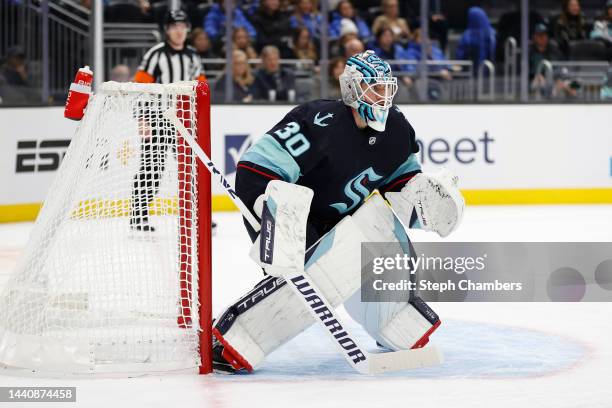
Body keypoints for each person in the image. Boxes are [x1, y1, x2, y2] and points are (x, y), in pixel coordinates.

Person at [209, 50, 464, 373]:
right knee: (315, 276)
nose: (383, 97)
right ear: (353, 89)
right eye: (375, 88)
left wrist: (425, 202)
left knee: (387, 242)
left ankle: (393, 320)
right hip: (297, 220)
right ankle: (236, 340)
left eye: (387, 88)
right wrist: (271, 216)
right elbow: (254, 170)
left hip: (344, 221)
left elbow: (402, 186)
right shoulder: (318, 122)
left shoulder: (397, 129)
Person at [130, 10, 207, 232]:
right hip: (157, 118)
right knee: (152, 168)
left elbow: (200, 89)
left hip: (183, 119)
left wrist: (197, 120)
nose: (179, 31)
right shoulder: (155, 55)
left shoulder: (193, 55)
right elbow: (140, 88)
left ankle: (197, 214)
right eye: (174, 26)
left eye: (183, 26)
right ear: (167, 30)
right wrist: (142, 118)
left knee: (192, 168)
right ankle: (139, 216)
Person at [529, 23, 562, 92]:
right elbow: (527, 71)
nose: (542, 38)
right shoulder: (529, 50)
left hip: (553, 78)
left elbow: (558, 67)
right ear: (534, 37)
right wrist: (538, 75)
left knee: (572, 85)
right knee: (539, 80)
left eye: (544, 35)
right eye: (539, 35)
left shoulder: (553, 48)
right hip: (533, 80)